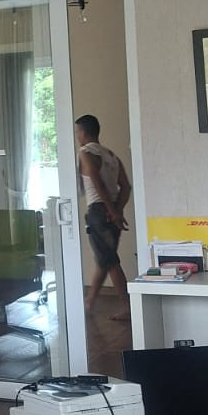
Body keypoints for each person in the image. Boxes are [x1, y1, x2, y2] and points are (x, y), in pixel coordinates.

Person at [74, 114, 131, 320]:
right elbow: (126, 187)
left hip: (99, 212)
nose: (77, 136)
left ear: (83, 132)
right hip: (111, 210)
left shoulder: (85, 153)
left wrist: (112, 211)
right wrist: (117, 209)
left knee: (110, 260)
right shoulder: (111, 155)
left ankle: (128, 306)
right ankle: (89, 302)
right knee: (104, 258)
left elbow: (96, 182)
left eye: (77, 132)